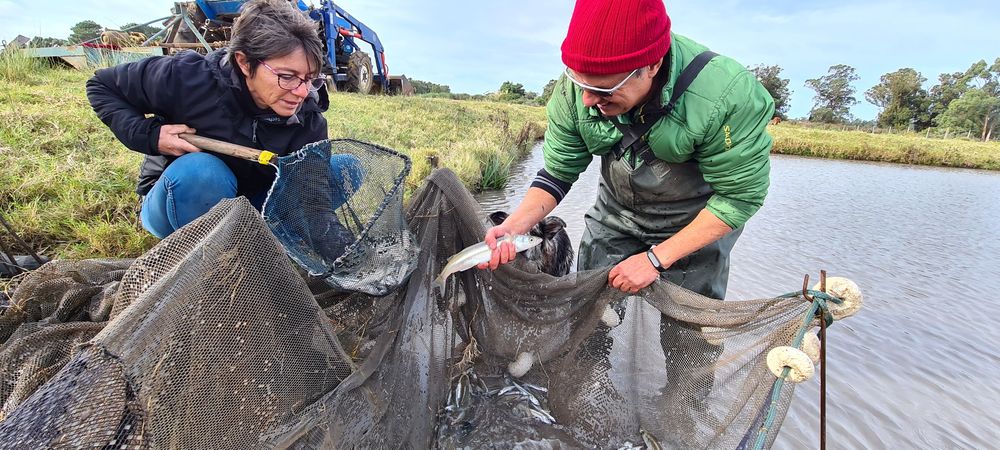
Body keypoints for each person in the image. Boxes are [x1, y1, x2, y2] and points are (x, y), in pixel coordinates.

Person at [482, 0, 773, 300]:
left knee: (686, 337)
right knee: (593, 315)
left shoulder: (724, 96)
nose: (587, 100)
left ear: (652, 65)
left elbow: (739, 198)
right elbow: (558, 172)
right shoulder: (577, 91)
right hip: (615, 219)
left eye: (604, 90)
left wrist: (656, 259)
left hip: (694, 229)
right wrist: (515, 226)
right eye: (580, 83)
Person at [87, 0, 352, 240]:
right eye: (287, 76)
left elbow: (312, 190)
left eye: (309, 78)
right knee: (203, 172)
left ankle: (259, 236)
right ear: (245, 63)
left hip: (254, 202)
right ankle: (206, 251)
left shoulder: (308, 113)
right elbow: (102, 85)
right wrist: (149, 135)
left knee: (344, 168)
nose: (302, 91)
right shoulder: (188, 77)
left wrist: (329, 239)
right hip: (181, 199)